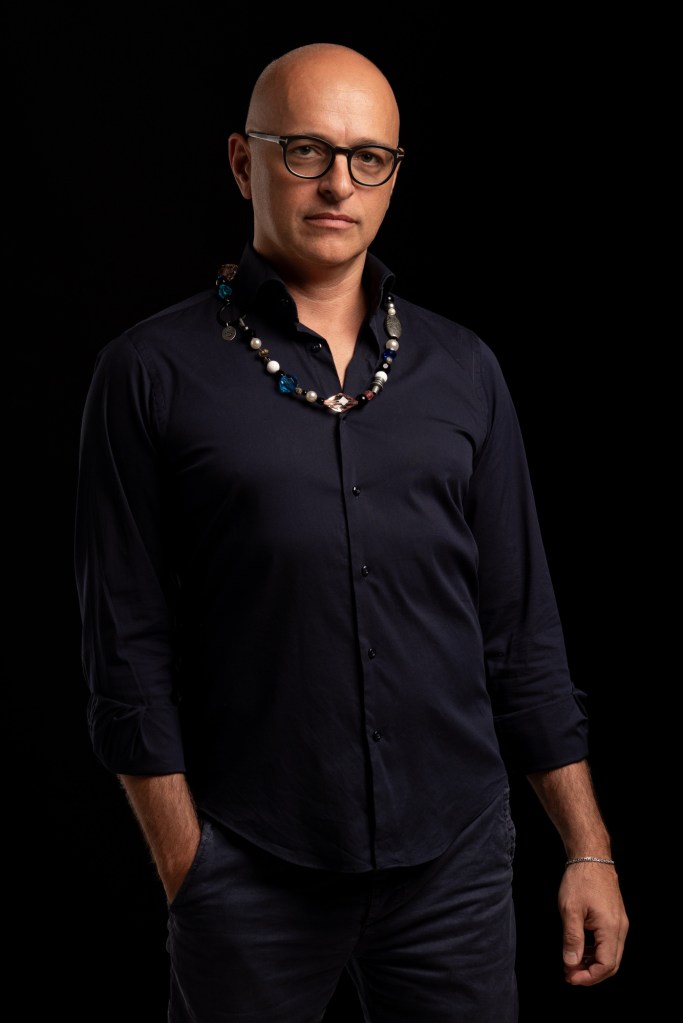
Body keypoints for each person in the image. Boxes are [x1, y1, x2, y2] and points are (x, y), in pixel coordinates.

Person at [74, 41, 628, 1023]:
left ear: (392, 176)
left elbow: (520, 634)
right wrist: (191, 868)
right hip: (249, 867)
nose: (338, 184)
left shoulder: (466, 372)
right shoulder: (147, 375)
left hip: (454, 866)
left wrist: (587, 848)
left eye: (367, 158)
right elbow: (125, 648)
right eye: (306, 151)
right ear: (243, 161)